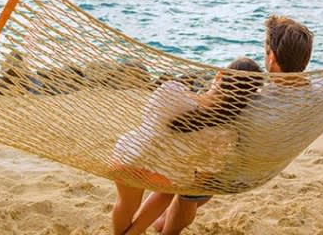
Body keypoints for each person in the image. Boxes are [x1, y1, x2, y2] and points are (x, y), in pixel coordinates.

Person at [141, 15, 323, 235]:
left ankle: (168, 230)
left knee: (197, 171)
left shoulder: (253, 108)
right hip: (265, 170)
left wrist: (211, 91)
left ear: (271, 58)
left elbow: (214, 120)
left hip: (227, 176)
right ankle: (163, 220)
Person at [111, 57, 263, 235]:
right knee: (168, 191)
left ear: (219, 75)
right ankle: (134, 232)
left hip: (127, 156)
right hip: (163, 176)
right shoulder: (226, 134)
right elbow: (209, 169)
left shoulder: (172, 91)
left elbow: (147, 116)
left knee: (125, 205)